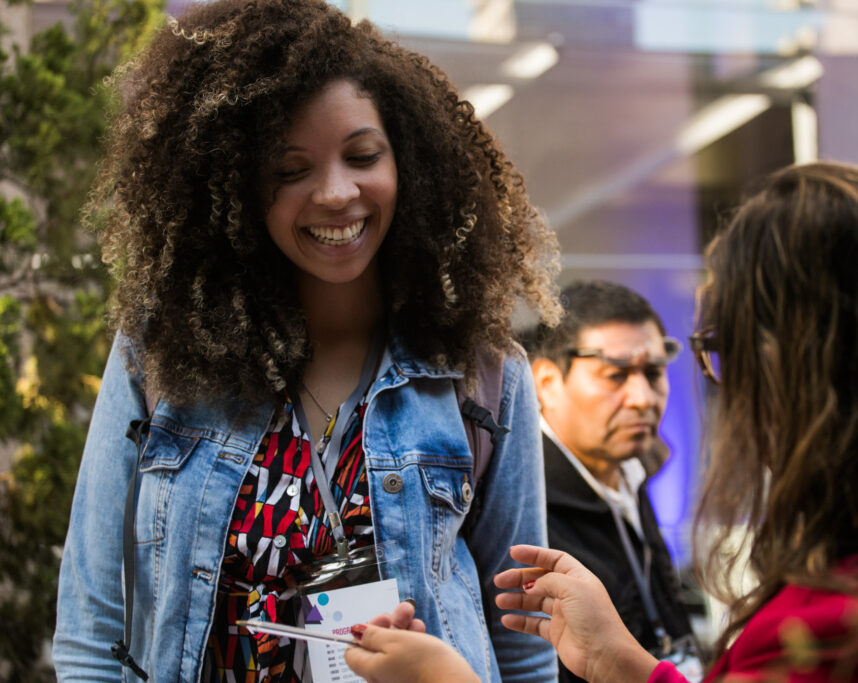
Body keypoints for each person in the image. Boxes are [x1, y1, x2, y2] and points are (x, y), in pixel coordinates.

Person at [342, 161, 858, 683]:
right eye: (615, 372)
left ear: (808, 368)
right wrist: (628, 664)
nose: (646, 396)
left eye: (711, 350)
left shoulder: (844, 624)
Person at [52, 0, 562, 680]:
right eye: (291, 169)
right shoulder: (162, 353)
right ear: (236, 185)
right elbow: (94, 627)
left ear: (406, 160)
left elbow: (524, 643)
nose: (334, 192)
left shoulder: (480, 378)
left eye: (362, 155)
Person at [522, 280, 698, 681]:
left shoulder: (633, 468)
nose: (642, 397)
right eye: (615, 375)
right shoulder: (523, 504)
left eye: (654, 372)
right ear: (546, 383)